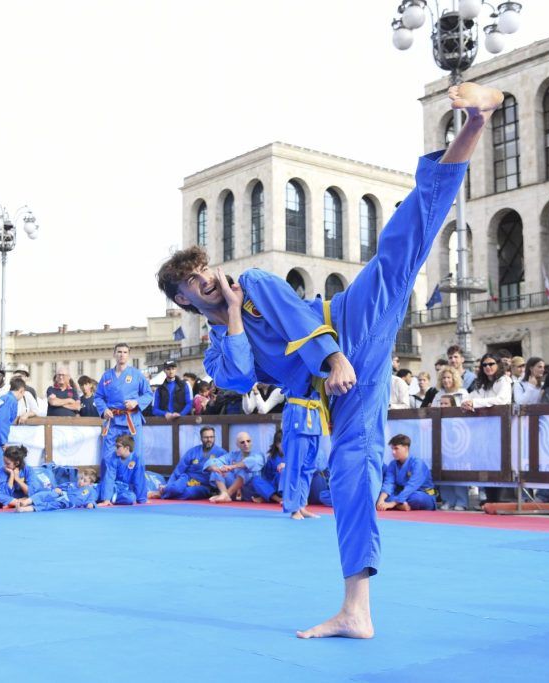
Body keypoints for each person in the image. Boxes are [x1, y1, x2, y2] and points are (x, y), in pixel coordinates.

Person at [155, 80, 501, 639]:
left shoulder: (258, 279)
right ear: (183, 300)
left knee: (402, 242)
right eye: (195, 283)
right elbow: (240, 377)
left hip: (348, 325)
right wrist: (239, 318)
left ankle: (476, 124)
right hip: (340, 384)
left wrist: (336, 356)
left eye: (206, 271)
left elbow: (299, 318)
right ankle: (356, 609)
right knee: (351, 470)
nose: (209, 281)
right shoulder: (218, 345)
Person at [93, 343, 153, 476]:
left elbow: (149, 394)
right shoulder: (107, 376)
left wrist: (136, 402)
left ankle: (135, 489)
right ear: (114, 354)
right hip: (112, 421)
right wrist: (104, 410)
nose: (122, 355)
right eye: (119, 352)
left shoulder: (136, 374)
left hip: (131, 419)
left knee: (135, 455)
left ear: (129, 355)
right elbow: (98, 397)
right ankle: (108, 489)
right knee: (107, 456)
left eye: (125, 352)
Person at [160, 426, 227, 499]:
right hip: (187, 478)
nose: (209, 440)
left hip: (204, 485)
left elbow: (226, 472)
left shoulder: (221, 453)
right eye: (206, 437)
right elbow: (179, 469)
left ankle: (162, 493)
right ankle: (167, 490)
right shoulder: (193, 451)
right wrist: (169, 484)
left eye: (211, 437)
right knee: (174, 488)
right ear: (201, 438)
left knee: (188, 493)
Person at [376, 434, 436, 511]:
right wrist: (381, 501)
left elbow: (412, 486)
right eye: (392, 449)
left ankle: (397, 504)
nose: (393, 452)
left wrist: (392, 503)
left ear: (406, 448)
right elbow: (388, 483)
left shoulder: (418, 463)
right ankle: (401, 505)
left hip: (423, 494)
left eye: (396, 448)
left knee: (416, 498)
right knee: (381, 496)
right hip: (401, 495)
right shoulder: (392, 464)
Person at [208, 431, 264, 505]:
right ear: (237, 445)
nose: (246, 444)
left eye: (248, 441)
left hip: (249, 492)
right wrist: (217, 468)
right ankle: (224, 494)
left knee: (245, 470)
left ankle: (226, 494)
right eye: (242, 442)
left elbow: (253, 461)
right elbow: (214, 461)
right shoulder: (233, 454)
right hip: (234, 492)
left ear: (251, 442)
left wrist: (232, 466)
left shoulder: (258, 454)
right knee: (217, 469)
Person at [17, 467, 101, 512]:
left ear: (90, 484)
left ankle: (25, 509)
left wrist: (91, 504)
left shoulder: (90, 491)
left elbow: (92, 500)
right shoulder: (72, 484)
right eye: (81, 478)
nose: (81, 481)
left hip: (65, 502)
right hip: (60, 494)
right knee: (44, 494)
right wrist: (57, 488)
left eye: (84, 481)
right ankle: (26, 502)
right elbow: (60, 487)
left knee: (49, 506)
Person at [99, 434, 148, 506]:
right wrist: (106, 499)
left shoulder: (136, 458)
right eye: (115, 446)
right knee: (96, 491)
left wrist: (142, 499)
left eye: (118, 447)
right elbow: (109, 477)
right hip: (113, 487)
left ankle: (110, 498)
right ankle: (107, 497)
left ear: (127, 448)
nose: (115, 449)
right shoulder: (113, 457)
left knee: (131, 498)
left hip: (125, 491)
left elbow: (139, 479)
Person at [245, 430, 285, 504]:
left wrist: (286, 466)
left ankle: (267, 498)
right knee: (255, 480)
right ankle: (279, 499)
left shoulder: (295, 456)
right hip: (274, 488)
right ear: (277, 444)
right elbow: (267, 477)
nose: (286, 446)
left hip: (288, 488)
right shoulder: (272, 458)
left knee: (283, 472)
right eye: (282, 444)